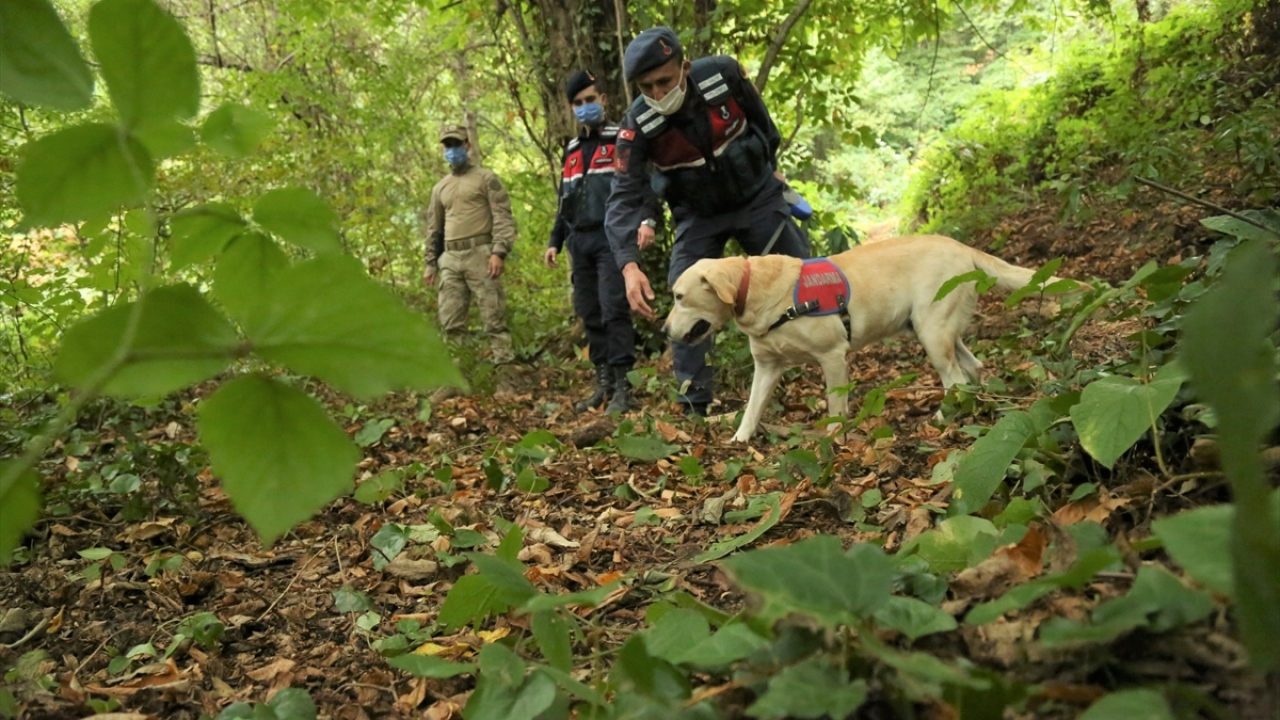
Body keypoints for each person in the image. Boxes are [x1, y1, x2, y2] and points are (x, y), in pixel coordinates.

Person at [605, 27, 811, 416]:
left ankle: (822, 359)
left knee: (801, 271)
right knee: (684, 293)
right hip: (698, 218)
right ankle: (694, 402)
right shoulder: (637, 127)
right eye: (646, 87)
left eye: (664, 81)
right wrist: (629, 265)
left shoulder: (724, 76)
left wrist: (773, 173)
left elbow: (763, 127)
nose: (658, 94)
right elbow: (623, 197)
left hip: (757, 198)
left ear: (684, 67)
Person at [545, 70, 655, 415]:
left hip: (613, 237)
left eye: (590, 100)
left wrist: (648, 220)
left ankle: (624, 386)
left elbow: (644, 182)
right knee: (590, 312)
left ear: (603, 100)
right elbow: (566, 200)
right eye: (578, 103)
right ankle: (603, 383)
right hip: (580, 241)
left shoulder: (621, 138)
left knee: (613, 310)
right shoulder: (573, 149)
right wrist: (555, 240)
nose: (585, 107)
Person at [422, 123, 518, 390]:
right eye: (447, 145)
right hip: (450, 258)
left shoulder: (486, 178)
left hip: (481, 253)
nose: (452, 150)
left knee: (494, 319)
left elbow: (502, 217)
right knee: (452, 323)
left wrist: (499, 251)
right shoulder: (440, 188)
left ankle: (505, 381)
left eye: (456, 144)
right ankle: (455, 381)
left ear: (468, 145)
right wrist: (431, 262)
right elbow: (435, 229)